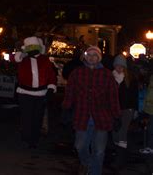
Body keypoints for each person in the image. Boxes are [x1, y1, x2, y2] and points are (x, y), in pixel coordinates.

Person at [62, 46, 121, 175]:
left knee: (99, 151)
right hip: (82, 117)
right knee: (79, 146)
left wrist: (117, 116)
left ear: (99, 57)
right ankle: (86, 163)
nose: (92, 57)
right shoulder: (77, 73)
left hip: (102, 118)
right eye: (89, 54)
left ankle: (95, 172)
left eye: (95, 55)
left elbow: (113, 97)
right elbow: (70, 93)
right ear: (85, 56)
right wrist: (66, 109)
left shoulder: (106, 74)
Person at [13, 36, 57, 149]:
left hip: (40, 94)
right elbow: (14, 58)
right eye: (30, 47)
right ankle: (26, 137)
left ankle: (34, 139)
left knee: (37, 118)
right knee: (26, 117)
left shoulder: (45, 60)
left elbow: (51, 75)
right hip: (25, 93)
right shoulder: (23, 59)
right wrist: (22, 53)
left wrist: (51, 88)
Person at [111, 54, 138, 170]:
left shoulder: (130, 79)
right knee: (115, 133)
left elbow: (134, 95)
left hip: (127, 109)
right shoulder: (110, 77)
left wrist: (135, 109)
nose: (119, 68)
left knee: (122, 132)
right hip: (113, 109)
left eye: (121, 66)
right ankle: (119, 153)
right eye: (117, 65)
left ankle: (120, 159)